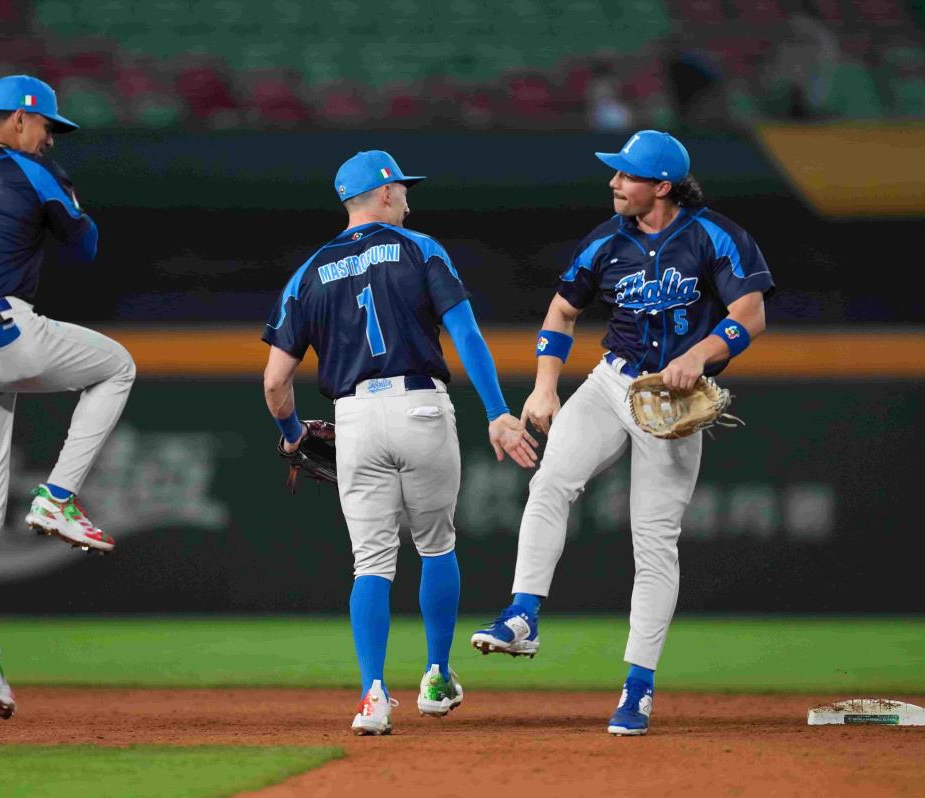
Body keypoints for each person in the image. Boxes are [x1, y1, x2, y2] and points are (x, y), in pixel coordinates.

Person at [471, 130, 773, 736]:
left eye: (627, 175)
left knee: (653, 541)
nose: (614, 182)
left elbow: (752, 312)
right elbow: (562, 311)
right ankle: (522, 616)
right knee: (551, 481)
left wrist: (704, 353)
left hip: (674, 400)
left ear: (661, 187)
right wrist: (544, 385)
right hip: (614, 383)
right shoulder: (606, 242)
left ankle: (637, 688)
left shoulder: (715, 236)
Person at [262, 150, 537, 736]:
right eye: (403, 188)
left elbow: (273, 380)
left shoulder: (308, 271)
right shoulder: (421, 249)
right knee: (436, 546)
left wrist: (291, 438)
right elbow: (464, 331)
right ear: (384, 194)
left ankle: (372, 697)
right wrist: (497, 411)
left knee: (371, 563)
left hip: (354, 416)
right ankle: (437, 677)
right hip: (420, 407)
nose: (409, 197)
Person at [0, 75, 136, 719]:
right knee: (116, 367)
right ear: (15, 119)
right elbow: (86, 246)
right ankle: (58, 498)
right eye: (45, 128)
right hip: (1, 329)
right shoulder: (30, 172)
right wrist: (60, 187)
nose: (48, 139)